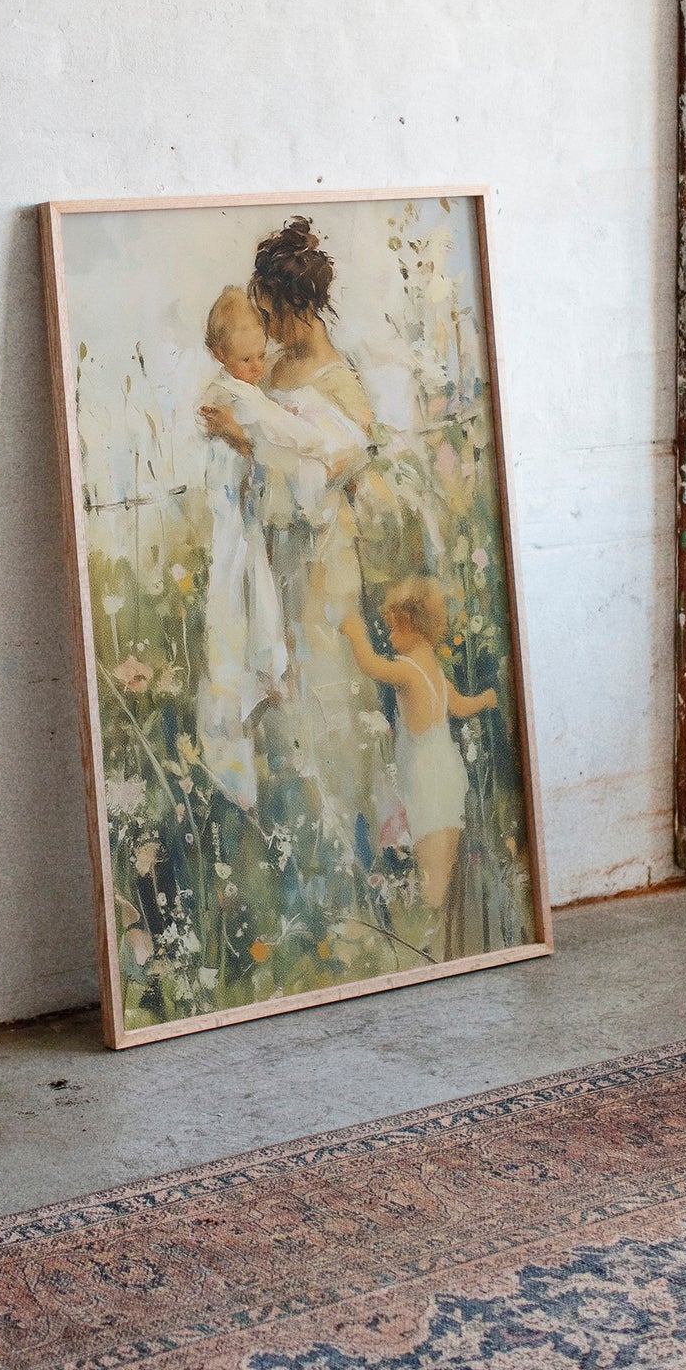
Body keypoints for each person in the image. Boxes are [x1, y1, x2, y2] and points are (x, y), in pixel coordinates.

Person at [201, 220, 384, 853]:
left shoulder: (340, 386)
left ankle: (351, 846)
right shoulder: (268, 368)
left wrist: (244, 439)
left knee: (327, 702)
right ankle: (293, 845)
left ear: (300, 307)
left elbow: (323, 476)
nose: (265, 324)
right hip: (271, 559)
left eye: (273, 312)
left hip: (322, 566)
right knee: (280, 708)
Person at [340, 576, 497, 954]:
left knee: (431, 875)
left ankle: (434, 942)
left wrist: (354, 632)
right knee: (441, 860)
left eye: (396, 625)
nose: (390, 633)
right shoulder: (436, 674)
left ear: (415, 625)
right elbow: (459, 706)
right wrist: (487, 699)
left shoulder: (408, 671)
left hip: (427, 782)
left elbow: (371, 665)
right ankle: (444, 937)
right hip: (446, 776)